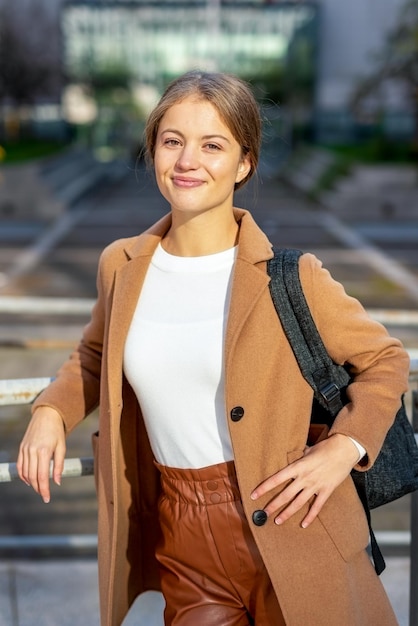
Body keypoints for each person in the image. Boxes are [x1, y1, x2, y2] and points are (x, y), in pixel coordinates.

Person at [17, 70, 410, 626]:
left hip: (295, 519)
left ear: (244, 163)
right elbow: (94, 354)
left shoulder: (292, 276)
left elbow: (385, 360)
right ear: (152, 149)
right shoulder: (122, 266)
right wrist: (51, 410)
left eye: (212, 144)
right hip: (185, 534)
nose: (187, 161)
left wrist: (344, 447)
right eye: (172, 140)